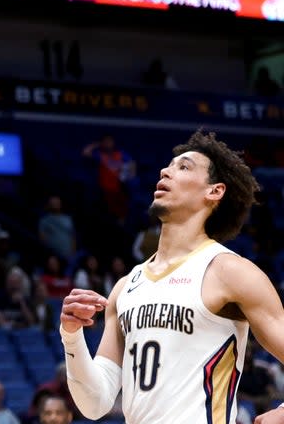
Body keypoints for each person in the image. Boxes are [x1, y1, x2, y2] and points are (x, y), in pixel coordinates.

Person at [59, 129, 284, 424]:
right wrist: (71, 336)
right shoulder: (126, 286)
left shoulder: (229, 271)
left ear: (214, 191)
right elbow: (95, 403)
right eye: (169, 165)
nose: (166, 170)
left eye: (184, 166)